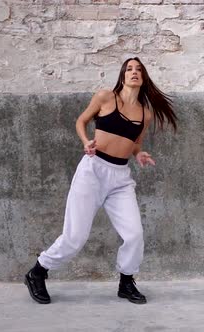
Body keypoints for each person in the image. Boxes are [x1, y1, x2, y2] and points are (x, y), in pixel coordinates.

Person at [24, 57, 177, 305]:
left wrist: (139, 153)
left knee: (134, 234)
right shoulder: (106, 97)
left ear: (144, 77)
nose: (134, 72)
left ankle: (126, 282)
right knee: (75, 237)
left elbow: (135, 142)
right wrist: (86, 141)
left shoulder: (145, 114)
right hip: (93, 171)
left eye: (138, 69)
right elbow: (81, 121)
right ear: (122, 75)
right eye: (129, 69)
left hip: (121, 177)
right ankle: (38, 271)